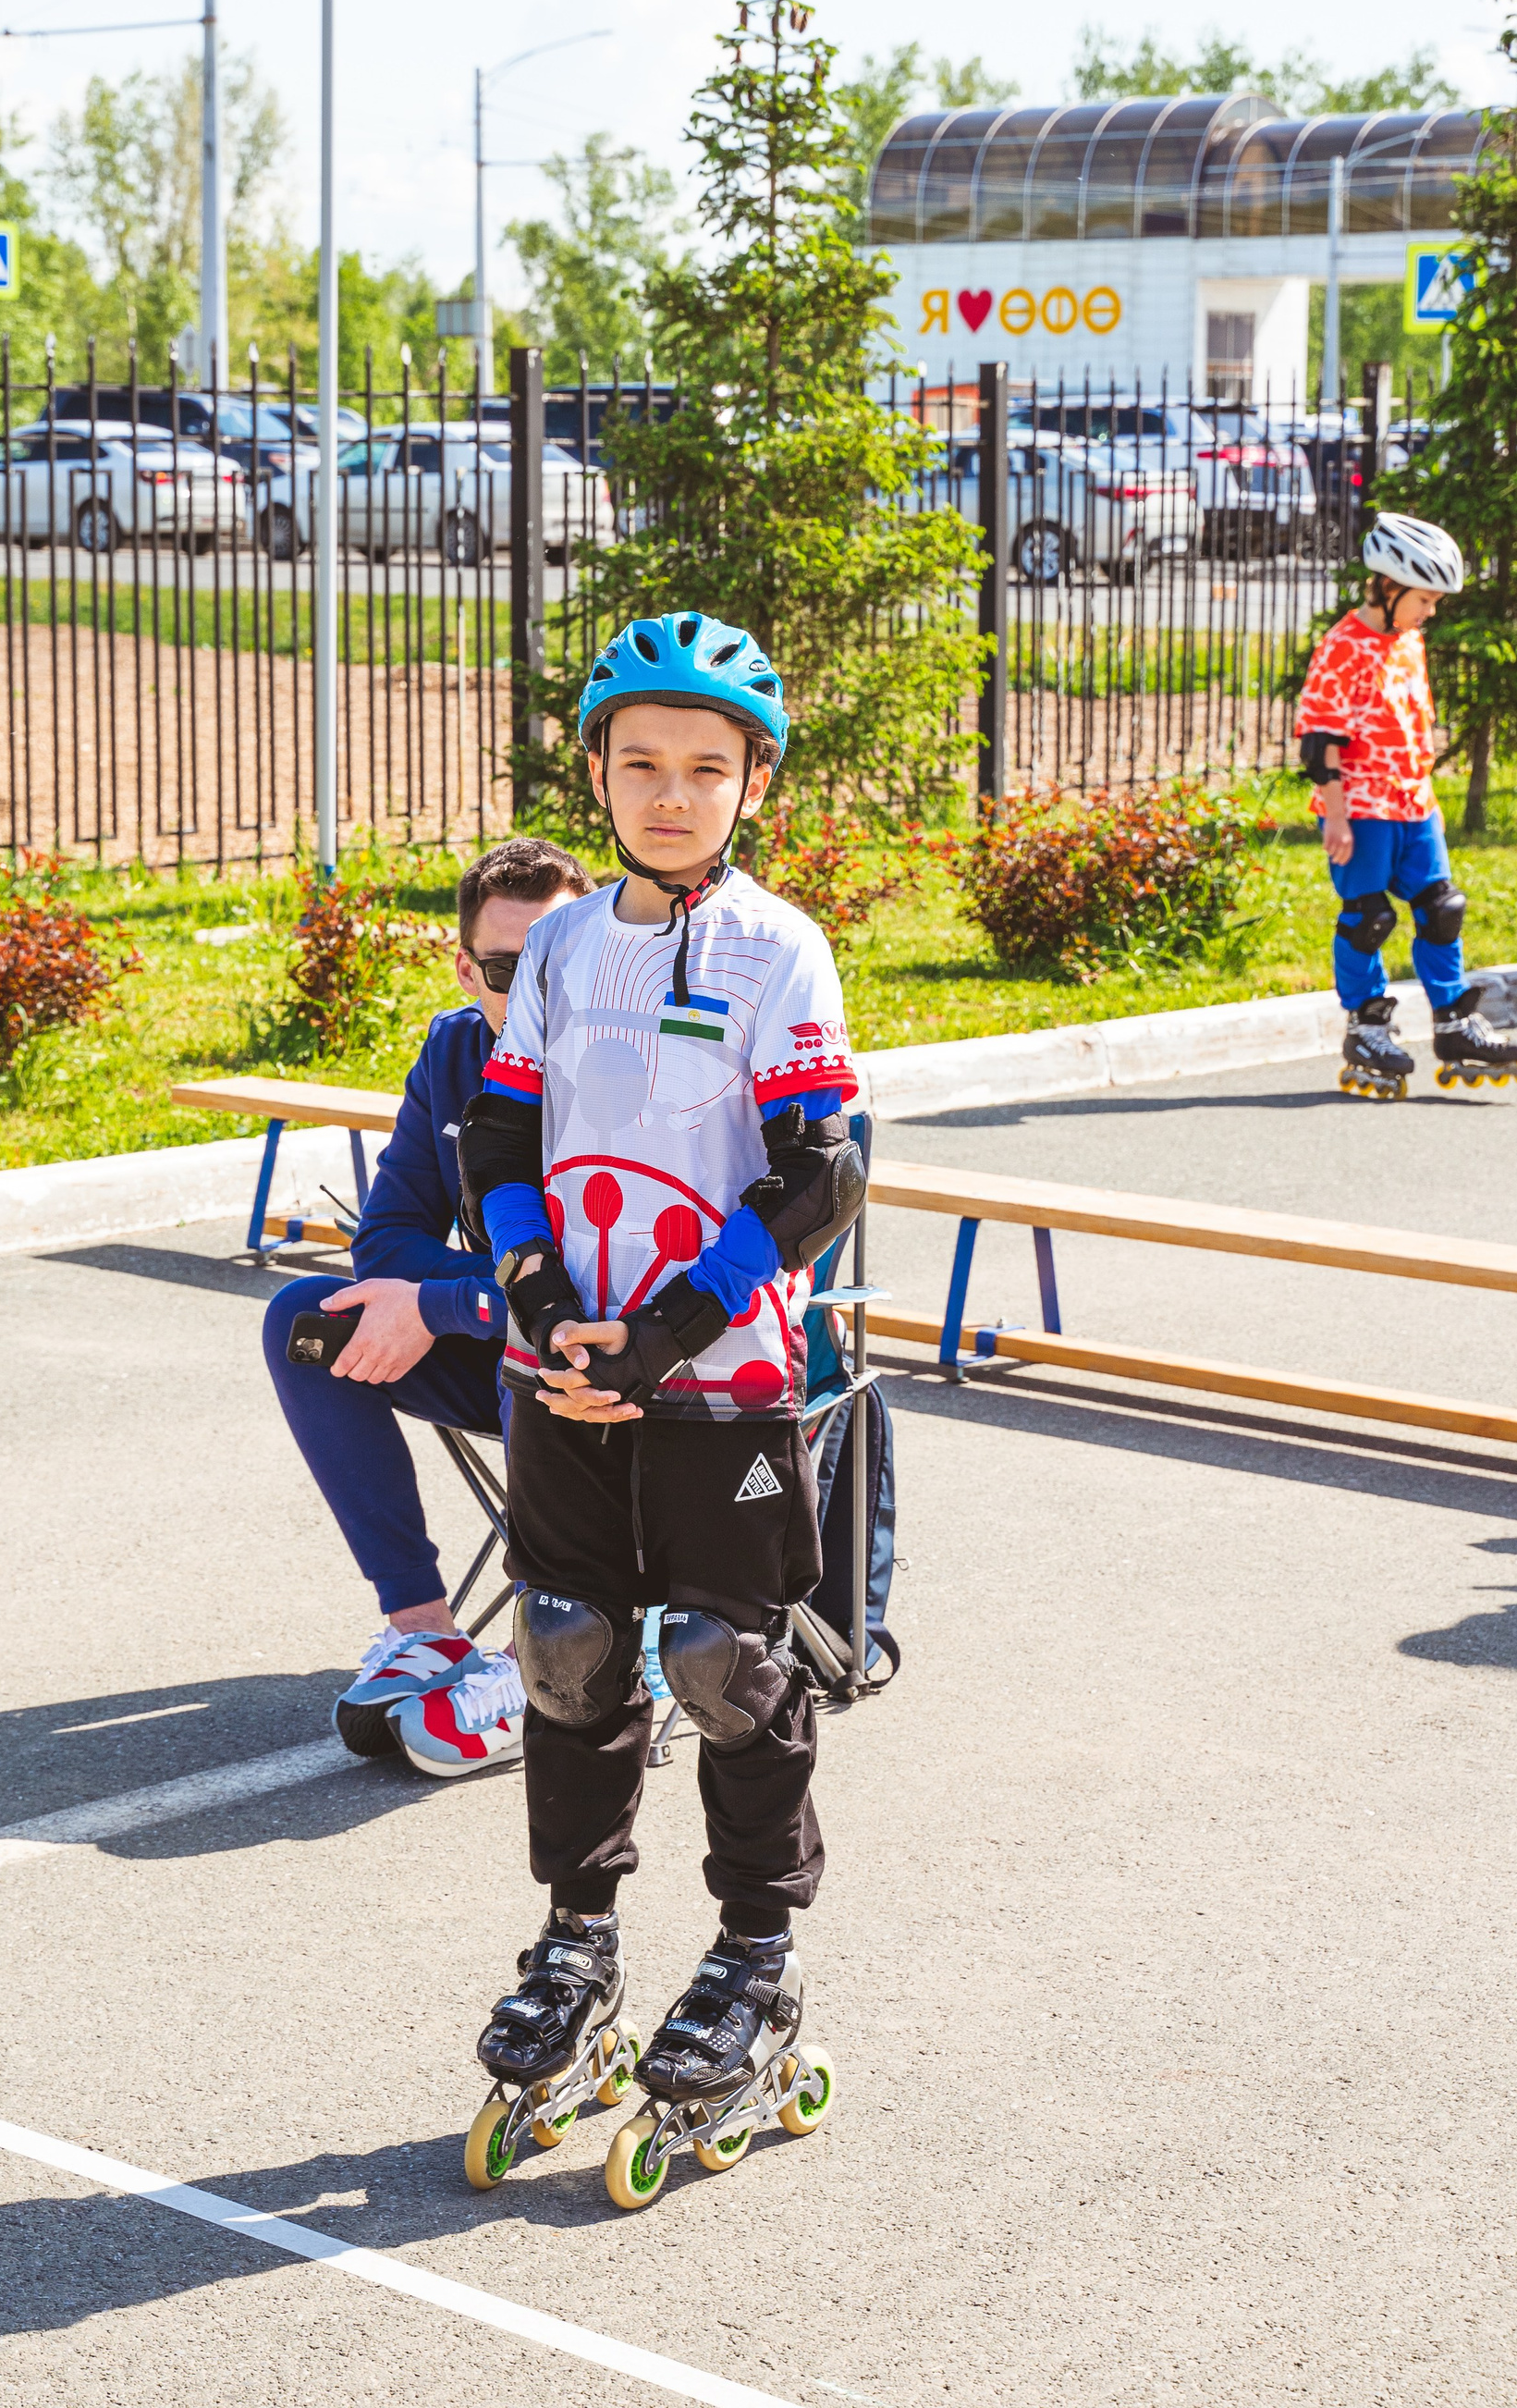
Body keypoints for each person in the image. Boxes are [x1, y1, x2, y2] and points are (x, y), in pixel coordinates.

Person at [456, 609, 864, 2191]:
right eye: (642, 764)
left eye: (706, 766)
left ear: (755, 782)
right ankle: (579, 1945)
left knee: (723, 1662)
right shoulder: (562, 946)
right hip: (565, 1369)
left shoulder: (779, 947)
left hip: (725, 1382)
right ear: (599, 777)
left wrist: (664, 1335)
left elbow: (818, 1171)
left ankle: (756, 1961)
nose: (672, 793)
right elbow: (501, 1139)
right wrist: (543, 1309)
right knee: (565, 1649)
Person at [261, 836, 593, 1776]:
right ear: (464, 969)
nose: (534, 992)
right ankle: (425, 1632)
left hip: (619, 1367)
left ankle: (556, 1650)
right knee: (306, 1322)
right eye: (507, 969)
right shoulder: (455, 1050)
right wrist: (457, 1302)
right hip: (510, 1344)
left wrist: (445, 1304)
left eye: (558, 966)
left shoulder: (634, 1066)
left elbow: (608, 1287)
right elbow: (387, 1241)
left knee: (541, 1351)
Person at [1296, 514, 1517, 1099]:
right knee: (1368, 917)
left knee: (1442, 908)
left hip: (1413, 803)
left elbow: (1412, 727)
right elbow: (1321, 742)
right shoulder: (1343, 648)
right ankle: (1367, 1028)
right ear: (1388, 587)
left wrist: (1430, 798)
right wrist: (1336, 815)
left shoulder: (1408, 643)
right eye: (1424, 599)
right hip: (1362, 807)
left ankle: (1454, 1023)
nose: (1430, 612)